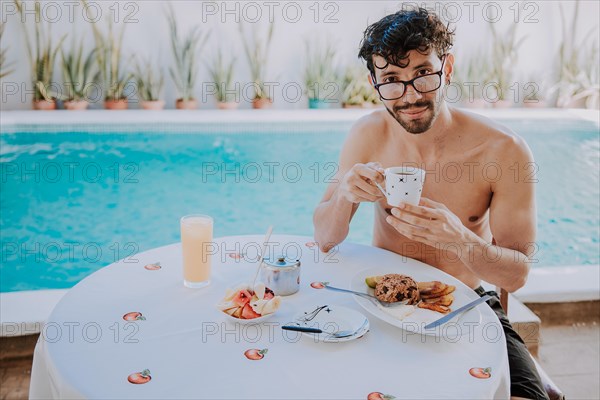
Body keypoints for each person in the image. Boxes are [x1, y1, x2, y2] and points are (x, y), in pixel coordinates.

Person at [313, 7, 548, 400]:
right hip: (380, 300)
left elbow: (517, 275)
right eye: (391, 80)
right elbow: (323, 238)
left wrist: (459, 239)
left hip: (466, 303)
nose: (410, 95)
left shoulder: (504, 151)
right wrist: (343, 195)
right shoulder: (367, 135)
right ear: (374, 83)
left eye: (423, 73)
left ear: (448, 68)